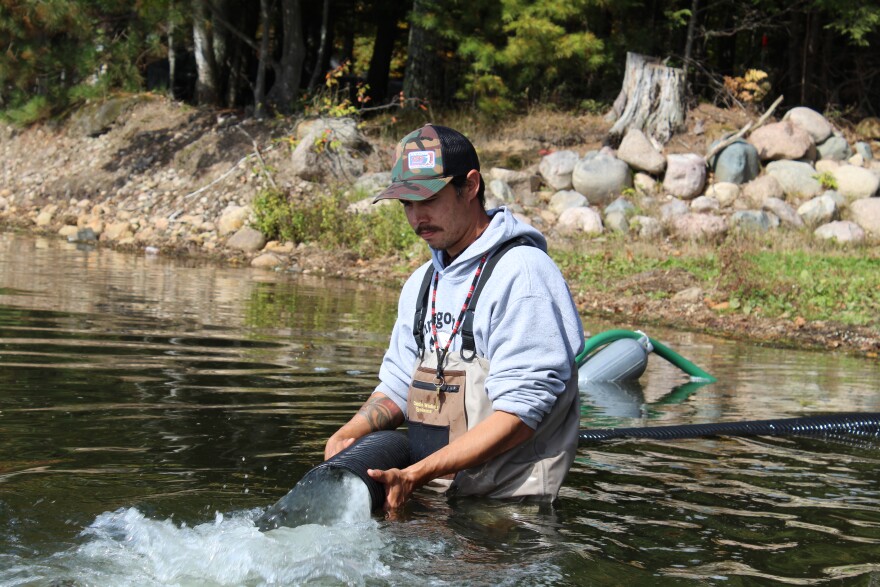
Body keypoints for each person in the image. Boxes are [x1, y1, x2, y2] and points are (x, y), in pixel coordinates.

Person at [324, 124, 584, 511]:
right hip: (428, 496)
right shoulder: (421, 283)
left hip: (508, 515)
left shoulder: (523, 275)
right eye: (406, 204)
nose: (416, 217)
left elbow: (521, 412)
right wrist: (351, 431)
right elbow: (398, 383)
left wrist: (416, 474)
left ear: (471, 185)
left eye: (427, 198)